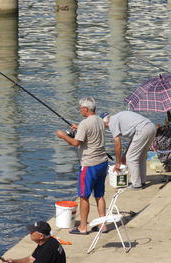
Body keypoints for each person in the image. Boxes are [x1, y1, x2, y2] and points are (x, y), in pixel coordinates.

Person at [57, 96, 108, 234]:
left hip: (89, 164)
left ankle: (83, 227)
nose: (80, 111)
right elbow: (91, 132)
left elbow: (75, 143)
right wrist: (79, 128)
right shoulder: (100, 120)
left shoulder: (85, 123)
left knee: (84, 196)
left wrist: (63, 136)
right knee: (99, 194)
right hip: (102, 163)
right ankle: (103, 225)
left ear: (85, 109)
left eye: (80, 109)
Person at [101, 111, 156, 190]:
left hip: (142, 130)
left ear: (105, 122)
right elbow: (134, 138)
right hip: (151, 127)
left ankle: (136, 185)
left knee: (131, 158)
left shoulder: (112, 122)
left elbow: (117, 144)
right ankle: (142, 181)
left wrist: (117, 163)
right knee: (141, 156)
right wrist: (124, 155)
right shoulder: (117, 117)